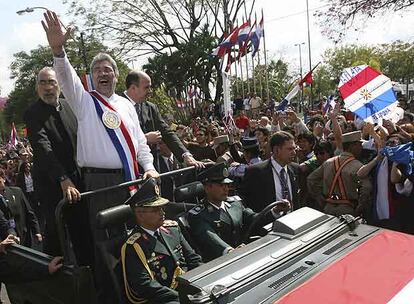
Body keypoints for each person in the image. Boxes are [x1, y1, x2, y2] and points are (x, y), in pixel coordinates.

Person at [24, 67, 90, 260]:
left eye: (51, 82)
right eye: (42, 83)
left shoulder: (70, 106)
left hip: (78, 182)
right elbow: (43, 147)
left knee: (84, 233)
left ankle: (91, 277)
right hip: (52, 186)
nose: (47, 87)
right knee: (57, 236)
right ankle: (58, 281)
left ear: (59, 85)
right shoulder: (32, 113)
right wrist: (63, 178)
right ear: (37, 88)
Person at [187, 163, 291, 262]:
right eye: (220, 185)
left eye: (227, 184)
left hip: (243, 256)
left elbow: (254, 219)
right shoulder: (198, 215)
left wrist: (275, 211)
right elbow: (210, 238)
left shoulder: (235, 204)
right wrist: (230, 251)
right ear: (207, 187)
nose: (226, 188)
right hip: (219, 263)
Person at [121, 178, 202, 304]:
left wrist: (207, 280)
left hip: (189, 288)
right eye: (155, 210)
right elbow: (145, 286)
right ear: (140, 214)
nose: (162, 213)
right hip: (164, 299)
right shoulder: (134, 246)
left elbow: (193, 260)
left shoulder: (173, 229)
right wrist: (183, 298)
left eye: (161, 208)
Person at [123, 70, 202, 169]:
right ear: (133, 88)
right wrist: (145, 139)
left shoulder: (151, 108)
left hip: (153, 170)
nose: (150, 91)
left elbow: (166, 132)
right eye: (146, 87)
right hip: (128, 169)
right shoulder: (115, 106)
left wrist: (185, 155)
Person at [307, 131, 372, 217]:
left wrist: (320, 198)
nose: (361, 147)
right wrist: (360, 206)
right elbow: (367, 187)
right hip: (348, 210)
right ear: (352, 146)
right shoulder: (358, 166)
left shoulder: (328, 162)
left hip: (328, 208)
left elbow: (311, 179)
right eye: (359, 144)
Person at [240, 131, 301, 213]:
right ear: (276, 150)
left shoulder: (295, 169)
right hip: (267, 224)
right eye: (290, 149)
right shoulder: (255, 172)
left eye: (294, 148)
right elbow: (246, 203)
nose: (294, 152)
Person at [0, 170, 41, 248]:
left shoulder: (17, 192)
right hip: (6, 241)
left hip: (23, 235)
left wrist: (36, 231)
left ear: (3, 179)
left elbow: (29, 211)